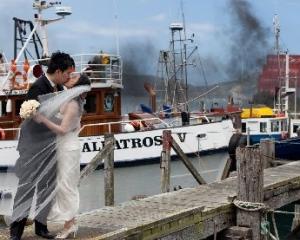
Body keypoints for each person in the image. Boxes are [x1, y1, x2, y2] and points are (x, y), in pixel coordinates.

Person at [10, 51, 75, 240]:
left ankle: (41, 226)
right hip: (32, 147)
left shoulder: (59, 89)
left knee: (47, 187)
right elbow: (35, 118)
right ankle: (16, 233)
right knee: (27, 189)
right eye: (67, 73)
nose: (68, 77)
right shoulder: (37, 87)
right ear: (58, 70)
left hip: (51, 146)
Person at [35, 74, 91, 239]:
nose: (70, 76)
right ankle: (70, 223)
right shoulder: (69, 100)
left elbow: (62, 130)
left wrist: (42, 119)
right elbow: (76, 125)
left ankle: (69, 226)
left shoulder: (73, 104)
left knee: (67, 185)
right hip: (65, 145)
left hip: (68, 147)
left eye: (74, 77)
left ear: (77, 85)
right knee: (64, 185)